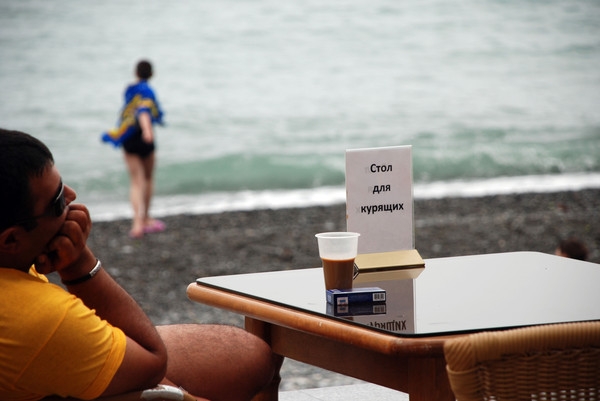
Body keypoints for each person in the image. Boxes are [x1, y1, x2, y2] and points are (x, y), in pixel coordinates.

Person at [0, 129, 276, 401]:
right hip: (54, 346)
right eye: (58, 200)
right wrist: (79, 265)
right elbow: (153, 364)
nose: (72, 196)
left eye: (63, 184)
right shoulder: (35, 317)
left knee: (251, 355)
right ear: (11, 240)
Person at [102, 60, 165, 238]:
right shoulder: (148, 90)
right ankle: (145, 219)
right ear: (152, 74)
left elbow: (131, 110)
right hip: (144, 136)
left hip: (129, 137)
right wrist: (147, 131)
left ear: (135, 72)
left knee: (136, 182)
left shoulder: (129, 90)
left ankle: (137, 224)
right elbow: (143, 110)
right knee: (148, 178)